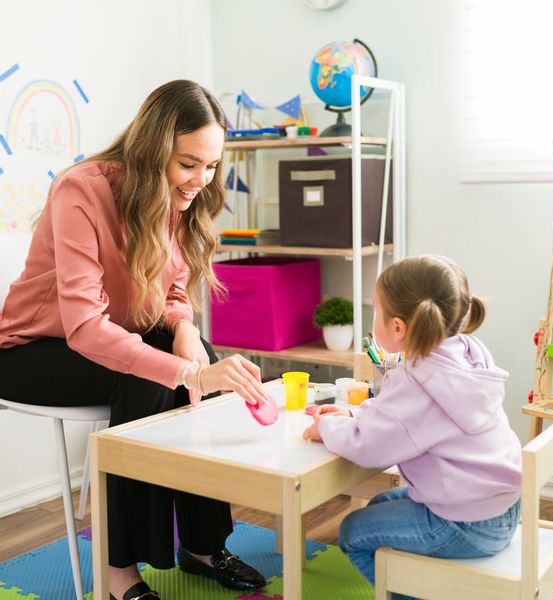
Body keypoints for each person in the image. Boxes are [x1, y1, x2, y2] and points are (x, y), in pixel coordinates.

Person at [0, 80, 269, 600]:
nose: (201, 180)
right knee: (147, 372)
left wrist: (187, 330)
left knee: (198, 357)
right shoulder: (81, 190)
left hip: (105, 337)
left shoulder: (173, 194)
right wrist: (184, 370)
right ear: (154, 147)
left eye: (211, 166)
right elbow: (83, 325)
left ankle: (203, 544)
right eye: (189, 163)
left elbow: (171, 289)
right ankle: (117, 572)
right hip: (30, 349)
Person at [303, 255, 522, 600]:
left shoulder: (418, 379)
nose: (373, 319)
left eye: (376, 311)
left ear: (398, 328)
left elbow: (368, 448)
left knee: (352, 532)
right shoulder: (464, 353)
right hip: (501, 508)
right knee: (377, 504)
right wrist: (354, 417)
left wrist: (326, 427)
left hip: (464, 524)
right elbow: (400, 416)